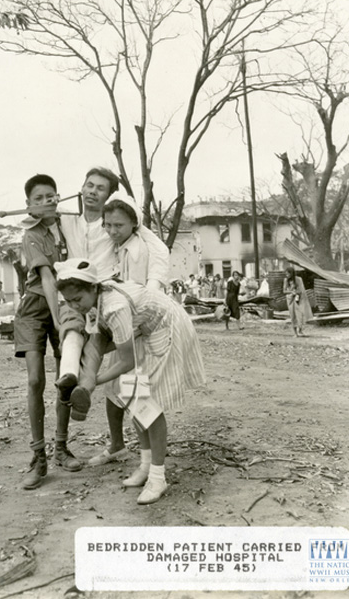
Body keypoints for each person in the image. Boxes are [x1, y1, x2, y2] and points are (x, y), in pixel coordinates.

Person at [55, 258, 205, 505]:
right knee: (132, 394)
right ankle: (146, 465)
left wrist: (94, 382)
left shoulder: (114, 307)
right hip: (143, 329)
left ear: (93, 287)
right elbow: (97, 343)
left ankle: (158, 477)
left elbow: (126, 362)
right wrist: (86, 378)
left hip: (166, 326)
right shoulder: (92, 304)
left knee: (148, 404)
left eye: (77, 299)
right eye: (68, 301)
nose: (73, 306)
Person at [55, 167, 169, 422]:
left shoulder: (129, 233)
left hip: (127, 310)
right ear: (81, 187)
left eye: (100, 188)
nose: (112, 230)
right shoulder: (67, 216)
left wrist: (153, 288)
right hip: (92, 306)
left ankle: (151, 458)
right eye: (89, 185)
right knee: (113, 377)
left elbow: (160, 251)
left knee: (133, 381)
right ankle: (81, 391)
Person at [14, 174, 82, 491]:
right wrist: (57, 320)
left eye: (51, 196)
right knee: (35, 380)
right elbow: (46, 277)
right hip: (37, 307)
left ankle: (62, 447)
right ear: (28, 205)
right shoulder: (30, 234)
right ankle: (39, 457)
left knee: (67, 378)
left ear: (59, 198)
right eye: (38, 198)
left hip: (67, 305)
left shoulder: (70, 228)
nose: (46, 201)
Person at [88, 192, 166, 466]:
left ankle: (149, 464)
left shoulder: (136, 251)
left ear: (134, 224)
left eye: (118, 225)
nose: (111, 231)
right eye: (107, 225)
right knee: (120, 391)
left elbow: (135, 295)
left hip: (136, 330)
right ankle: (123, 448)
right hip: (123, 327)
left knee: (138, 394)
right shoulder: (119, 246)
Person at [283, 265, 312, 337]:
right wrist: (291, 292)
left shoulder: (298, 280)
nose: (286, 275)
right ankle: (295, 333)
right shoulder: (286, 280)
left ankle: (300, 331)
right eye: (286, 274)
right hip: (290, 299)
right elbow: (284, 291)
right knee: (292, 316)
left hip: (298, 299)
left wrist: (296, 292)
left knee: (299, 315)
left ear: (291, 273)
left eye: (288, 274)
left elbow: (301, 290)